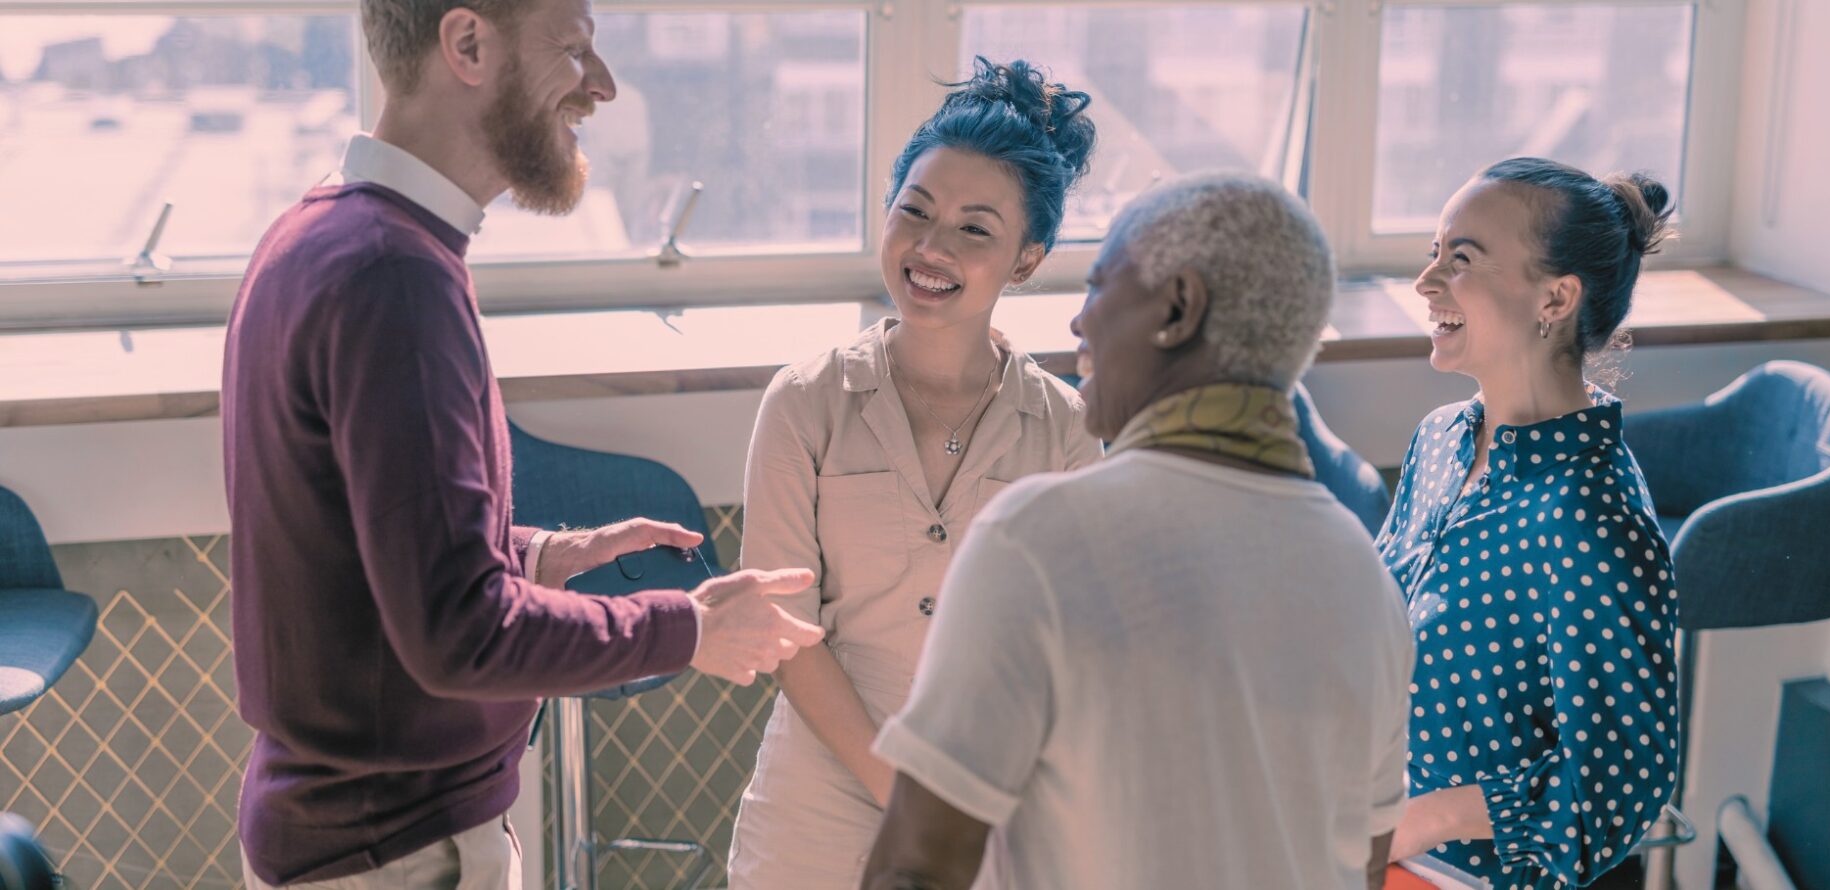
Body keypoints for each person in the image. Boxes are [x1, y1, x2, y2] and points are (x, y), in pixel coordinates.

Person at [221, 1, 822, 886]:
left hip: (346, 836)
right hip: (397, 854)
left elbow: (368, 555)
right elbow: (459, 634)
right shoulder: (395, 279)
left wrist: (538, 555)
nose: (602, 86)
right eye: (574, 48)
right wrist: (689, 628)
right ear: (467, 45)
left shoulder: (322, 235)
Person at [861, 172, 1414, 890]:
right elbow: (1360, 870)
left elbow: (914, 870)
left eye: (1099, 285)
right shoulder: (1366, 580)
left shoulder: (1040, 540)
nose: (1079, 322)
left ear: (1177, 308)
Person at [725, 58, 1103, 888]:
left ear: (1027, 260)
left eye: (976, 229)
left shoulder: (1069, 433)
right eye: (915, 212)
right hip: (811, 817)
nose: (931, 248)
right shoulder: (803, 402)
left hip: (995, 812)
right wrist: (908, 799)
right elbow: (788, 636)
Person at [1373, 157, 1681, 889]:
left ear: (1556, 297)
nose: (1427, 282)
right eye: (1433, 254)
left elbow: (1620, 783)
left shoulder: (1590, 515)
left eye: (1462, 259)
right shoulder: (1442, 438)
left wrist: (1427, 818)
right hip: (1373, 837)